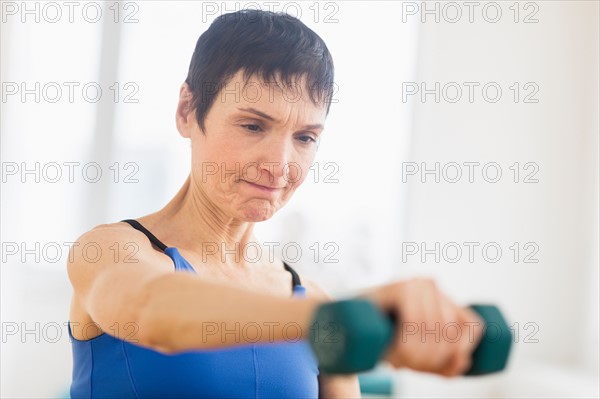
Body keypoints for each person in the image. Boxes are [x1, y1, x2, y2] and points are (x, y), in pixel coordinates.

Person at [66, 9, 484, 398]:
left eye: (305, 138)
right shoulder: (110, 252)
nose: (279, 166)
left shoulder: (311, 299)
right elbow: (153, 310)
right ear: (187, 111)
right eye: (252, 125)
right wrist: (327, 320)